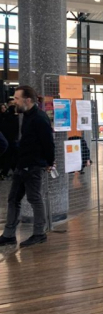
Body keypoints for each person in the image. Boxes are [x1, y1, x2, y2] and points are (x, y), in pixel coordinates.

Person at [0, 86, 55, 248]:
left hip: (33, 166)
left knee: (34, 199)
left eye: (17, 98)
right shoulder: (27, 116)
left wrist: (49, 162)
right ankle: (9, 235)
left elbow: (48, 143)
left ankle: (39, 233)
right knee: (13, 199)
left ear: (28, 100)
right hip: (22, 165)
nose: (14, 101)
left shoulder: (39, 118)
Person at [0, 104, 19, 179]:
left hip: (8, 140)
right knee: (12, 158)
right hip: (12, 141)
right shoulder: (15, 119)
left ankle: (5, 173)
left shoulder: (5, 118)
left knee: (10, 158)